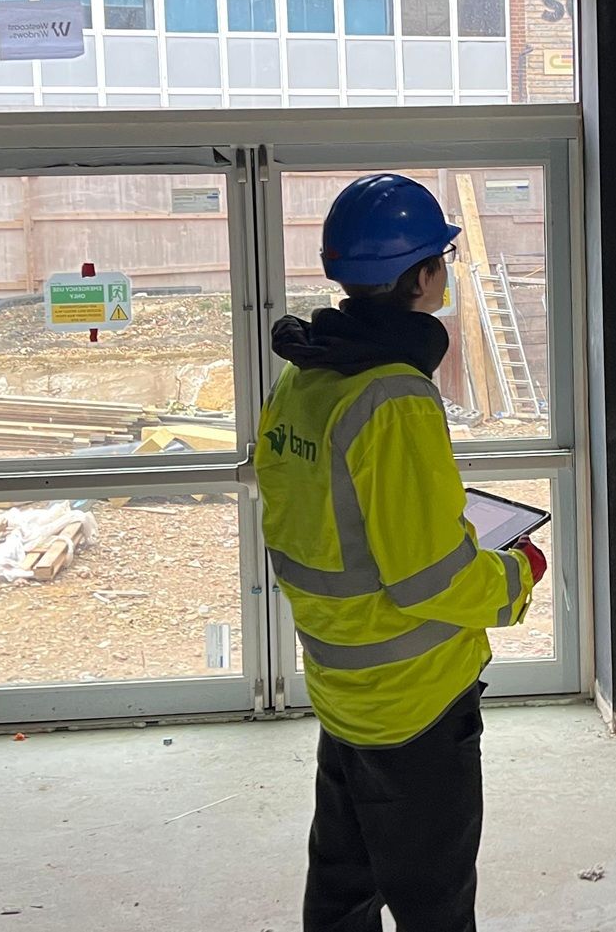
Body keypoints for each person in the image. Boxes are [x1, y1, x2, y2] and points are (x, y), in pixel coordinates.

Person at [255, 173, 549, 932]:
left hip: (341, 684)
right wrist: (513, 577)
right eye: (440, 260)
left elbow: (322, 523)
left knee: (342, 893)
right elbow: (430, 578)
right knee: (434, 903)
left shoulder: (304, 379)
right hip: (416, 698)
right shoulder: (394, 397)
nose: (445, 273)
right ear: (421, 276)